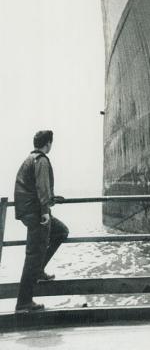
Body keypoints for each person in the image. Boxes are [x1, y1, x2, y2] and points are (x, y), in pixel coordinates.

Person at [14, 130, 69, 313]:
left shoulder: (30, 159)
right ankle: (23, 303)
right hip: (37, 213)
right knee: (33, 255)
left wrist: (52, 198)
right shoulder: (42, 160)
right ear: (48, 143)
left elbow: (34, 187)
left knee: (61, 231)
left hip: (30, 211)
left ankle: (39, 269)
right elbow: (41, 186)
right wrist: (45, 211)